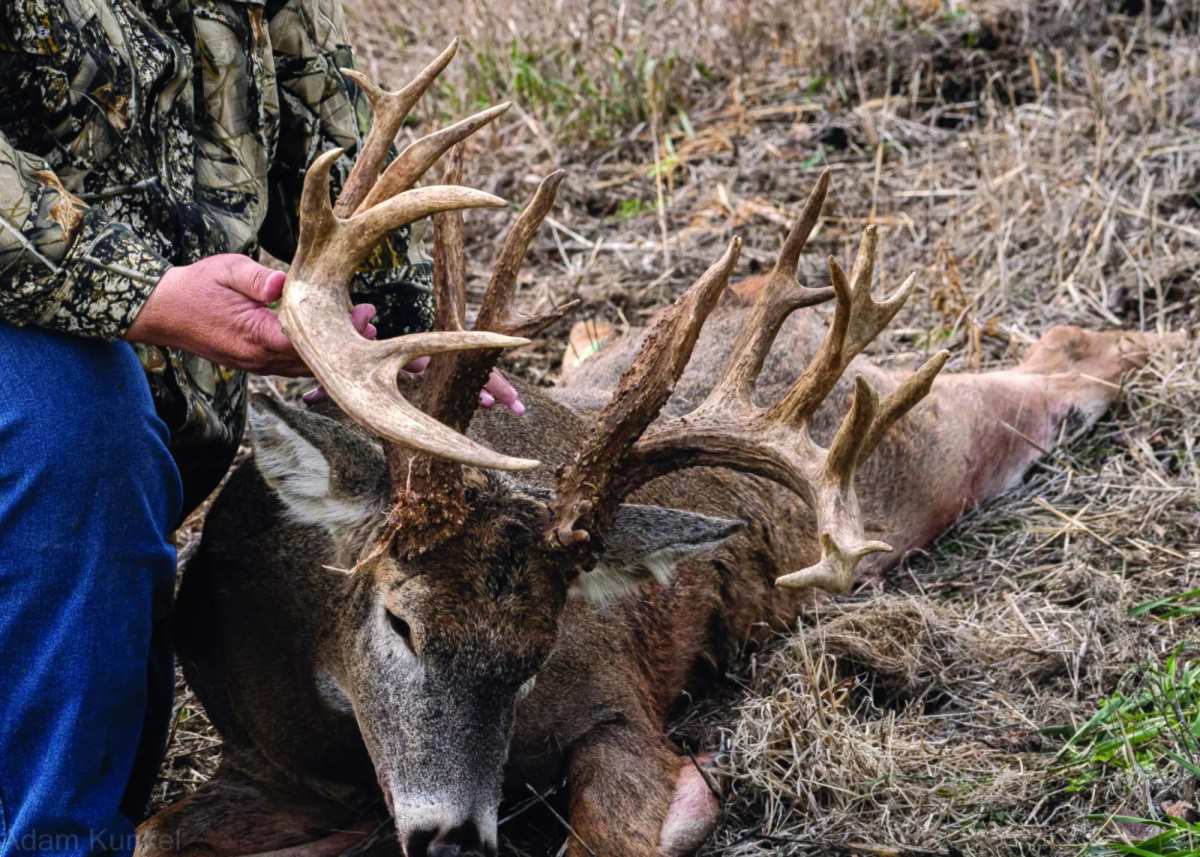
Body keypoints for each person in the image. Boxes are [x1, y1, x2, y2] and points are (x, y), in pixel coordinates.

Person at [0, 3, 519, 855]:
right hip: (65, 402)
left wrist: (404, 333)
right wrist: (149, 295)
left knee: (113, 730)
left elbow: (334, 145)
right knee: (75, 425)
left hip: (149, 428)